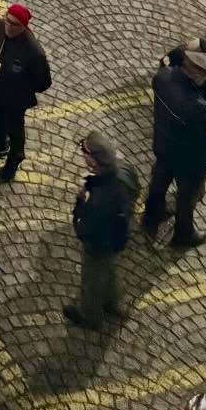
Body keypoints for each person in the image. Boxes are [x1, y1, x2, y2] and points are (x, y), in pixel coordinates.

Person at [142, 42, 206, 250]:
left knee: (159, 181)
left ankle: (152, 215)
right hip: (187, 160)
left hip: (164, 145)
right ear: (198, 75)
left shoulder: (162, 77)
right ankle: (183, 234)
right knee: (187, 198)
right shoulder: (199, 108)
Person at [66, 130, 137, 329]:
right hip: (116, 238)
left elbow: (87, 227)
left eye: (84, 151)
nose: (82, 154)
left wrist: (80, 222)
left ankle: (90, 315)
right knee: (110, 268)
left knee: (91, 276)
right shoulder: (124, 171)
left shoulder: (97, 198)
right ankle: (112, 302)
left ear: (94, 160)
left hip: (99, 242)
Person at [0, 3, 51, 181]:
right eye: (7, 21)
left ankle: (15, 157)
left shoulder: (34, 53)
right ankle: (0, 145)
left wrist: (20, 88)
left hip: (14, 100)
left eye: (15, 24)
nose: (9, 26)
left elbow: (43, 82)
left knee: (15, 129)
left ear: (24, 27)